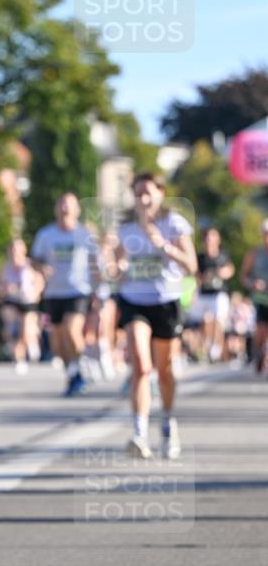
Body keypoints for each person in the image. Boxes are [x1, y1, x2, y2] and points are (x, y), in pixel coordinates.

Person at [107, 172, 197, 460]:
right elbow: (118, 269)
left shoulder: (174, 224)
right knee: (142, 367)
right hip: (135, 302)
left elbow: (191, 266)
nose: (143, 199)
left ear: (161, 192)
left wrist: (163, 245)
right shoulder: (126, 228)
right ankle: (139, 432)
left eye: (148, 192)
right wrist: (117, 266)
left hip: (166, 302)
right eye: (137, 194)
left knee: (166, 371)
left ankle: (168, 421)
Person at [30, 192, 96, 396]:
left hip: (78, 290)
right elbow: (35, 259)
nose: (65, 209)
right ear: (56, 209)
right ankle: (73, 375)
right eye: (61, 204)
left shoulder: (85, 234)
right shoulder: (46, 234)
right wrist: (42, 267)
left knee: (71, 329)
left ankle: (80, 366)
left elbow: (95, 264)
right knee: (58, 341)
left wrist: (98, 292)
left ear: (77, 210)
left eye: (69, 205)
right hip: (54, 292)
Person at [0, 238, 44, 373]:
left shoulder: (30, 265)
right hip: (11, 301)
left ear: (24, 250)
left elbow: (39, 282)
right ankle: (18, 358)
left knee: (26, 331)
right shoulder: (5, 267)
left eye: (17, 249)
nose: (15, 252)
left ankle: (31, 342)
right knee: (11, 330)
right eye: (12, 249)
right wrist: (4, 291)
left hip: (27, 301)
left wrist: (35, 294)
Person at [191, 227, 234, 362]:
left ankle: (216, 348)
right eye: (207, 237)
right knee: (205, 321)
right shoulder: (200, 257)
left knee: (218, 320)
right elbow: (195, 275)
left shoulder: (223, 255)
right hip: (204, 293)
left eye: (212, 236)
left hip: (219, 293)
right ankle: (207, 346)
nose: (210, 240)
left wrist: (221, 273)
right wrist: (203, 278)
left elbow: (230, 269)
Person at [240, 219, 268, 374]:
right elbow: (243, 276)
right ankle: (259, 355)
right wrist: (252, 284)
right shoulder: (255, 253)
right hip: (260, 298)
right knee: (261, 331)